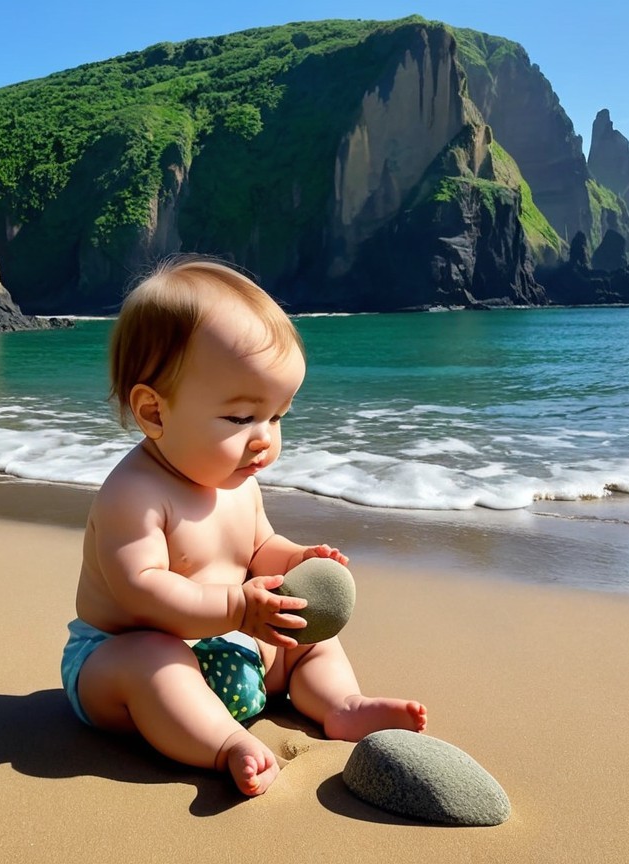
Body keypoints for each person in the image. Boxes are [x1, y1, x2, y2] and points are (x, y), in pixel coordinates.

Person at [61, 257, 426, 796]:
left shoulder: (239, 484)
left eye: (278, 416)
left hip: (234, 643)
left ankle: (341, 704)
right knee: (151, 659)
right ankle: (224, 743)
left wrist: (296, 561)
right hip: (123, 662)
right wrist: (237, 607)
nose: (264, 438)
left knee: (303, 630)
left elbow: (259, 547)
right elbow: (141, 591)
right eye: (240, 418)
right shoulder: (133, 495)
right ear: (155, 413)